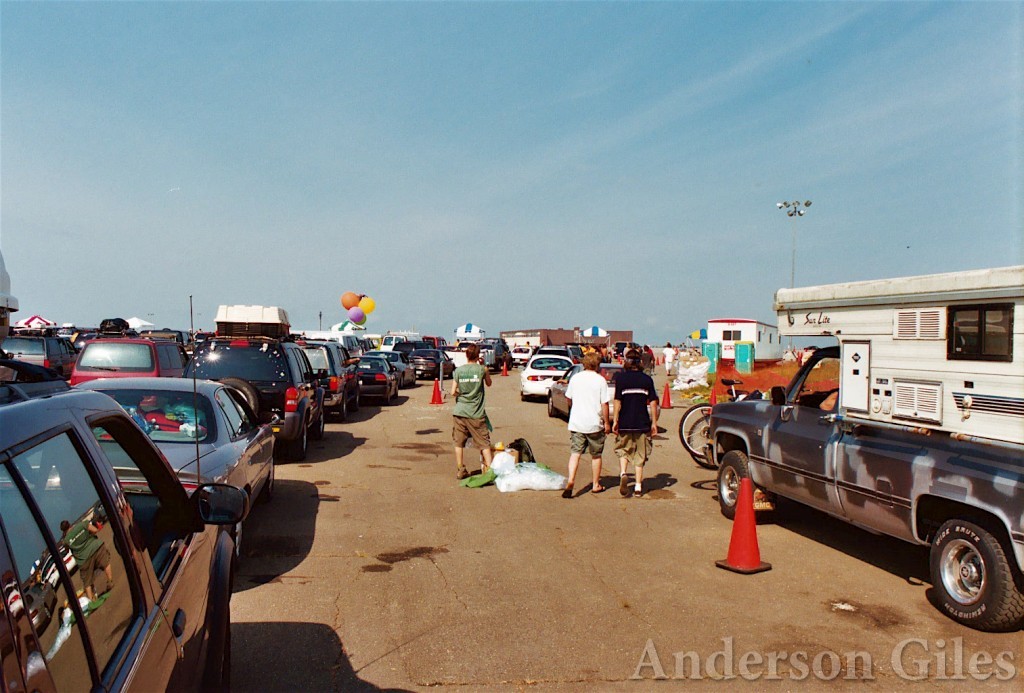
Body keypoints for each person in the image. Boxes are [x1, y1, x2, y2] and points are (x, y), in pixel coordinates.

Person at [561, 353, 612, 499]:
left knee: (575, 453)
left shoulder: (576, 378)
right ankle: (596, 484)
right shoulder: (600, 380)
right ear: (597, 365)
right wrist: (607, 422)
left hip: (577, 422)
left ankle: (571, 481)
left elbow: (568, 398)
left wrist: (574, 408)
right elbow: (604, 404)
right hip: (594, 423)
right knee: (596, 455)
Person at [613, 349, 659, 497]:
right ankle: (638, 486)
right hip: (642, 422)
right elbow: (653, 402)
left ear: (626, 362)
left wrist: (615, 420)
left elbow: (617, 401)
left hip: (625, 421)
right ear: (640, 362)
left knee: (623, 450)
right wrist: (654, 423)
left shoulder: (621, 379)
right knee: (640, 454)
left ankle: (623, 473)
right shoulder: (647, 380)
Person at [451, 343, 493, 480]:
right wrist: (483, 366)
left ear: (466, 355)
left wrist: (462, 395)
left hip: (460, 411)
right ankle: (490, 471)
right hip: (476, 412)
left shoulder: (458, 371)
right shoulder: (482, 370)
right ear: (478, 355)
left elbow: (452, 392)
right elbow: (489, 383)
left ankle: (460, 469)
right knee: (484, 442)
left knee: (459, 442)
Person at [61, 516, 113, 602]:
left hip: (83, 559)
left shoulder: (66, 540)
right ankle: (110, 581)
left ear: (63, 531)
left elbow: (67, 550)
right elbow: (95, 530)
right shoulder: (82, 525)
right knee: (105, 563)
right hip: (95, 547)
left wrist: (66, 537)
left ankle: (91, 599)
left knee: (87, 581)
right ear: (69, 524)